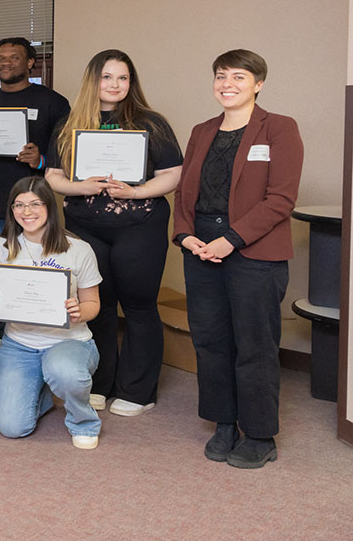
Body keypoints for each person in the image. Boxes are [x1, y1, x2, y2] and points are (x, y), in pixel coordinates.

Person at [172, 49, 303, 469]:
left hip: (253, 249)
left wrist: (232, 239)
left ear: (258, 83)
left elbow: (281, 199)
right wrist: (185, 236)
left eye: (239, 77)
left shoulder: (279, 128)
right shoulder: (201, 130)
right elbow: (184, 193)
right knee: (210, 340)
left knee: (255, 344)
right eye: (221, 76)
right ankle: (224, 421)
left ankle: (260, 433)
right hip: (201, 248)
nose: (227, 84)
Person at [45, 50, 182, 416]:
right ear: (94, 80)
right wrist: (82, 186)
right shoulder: (69, 123)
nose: (115, 85)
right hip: (86, 227)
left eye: (123, 78)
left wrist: (135, 191)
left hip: (140, 226)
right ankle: (100, 384)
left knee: (138, 307)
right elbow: (53, 176)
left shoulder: (151, 122)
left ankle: (138, 391)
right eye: (107, 77)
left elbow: (173, 174)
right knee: (99, 308)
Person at [0, 37, 70, 367]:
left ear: (31, 63)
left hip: (36, 206)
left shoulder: (53, 102)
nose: (6, 62)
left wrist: (40, 160)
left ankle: (38, 336)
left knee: (38, 269)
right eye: (0, 58)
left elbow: (69, 155)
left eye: (14, 57)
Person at [0, 177, 103, 449]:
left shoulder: (79, 249)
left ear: (49, 206)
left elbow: (93, 304)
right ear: (11, 210)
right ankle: (45, 392)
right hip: (20, 344)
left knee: (64, 370)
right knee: (11, 427)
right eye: (20, 205)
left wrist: (79, 311)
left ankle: (83, 421)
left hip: (69, 343)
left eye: (35, 204)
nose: (27, 212)